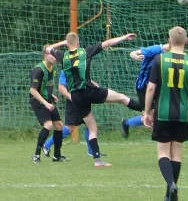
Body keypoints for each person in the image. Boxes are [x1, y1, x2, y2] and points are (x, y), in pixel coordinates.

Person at [46, 32, 142, 167]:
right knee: (121, 98)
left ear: (68, 44)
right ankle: (146, 109)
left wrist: (63, 43)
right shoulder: (85, 52)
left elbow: (48, 48)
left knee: (92, 128)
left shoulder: (63, 56)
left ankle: (98, 161)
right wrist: (124, 37)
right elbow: (107, 43)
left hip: (76, 97)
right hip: (89, 91)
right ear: (78, 43)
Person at [142, 26, 188, 201]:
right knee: (176, 154)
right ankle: (171, 195)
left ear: (169, 41)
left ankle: (171, 186)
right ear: (186, 41)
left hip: (162, 112)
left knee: (163, 153)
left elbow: (151, 87)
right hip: (183, 115)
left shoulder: (160, 60)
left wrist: (147, 111)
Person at [42, 70, 107, 157]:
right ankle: (46, 145)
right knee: (70, 127)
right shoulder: (65, 69)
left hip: (82, 100)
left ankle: (91, 151)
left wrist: (92, 83)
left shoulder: (78, 65)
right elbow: (61, 88)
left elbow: (83, 79)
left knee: (89, 125)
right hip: (74, 102)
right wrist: (72, 98)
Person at [121, 43, 171, 138]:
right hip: (144, 86)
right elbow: (133, 53)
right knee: (150, 117)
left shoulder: (174, 56)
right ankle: (162, 138)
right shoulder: (156, 49)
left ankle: (127, 123)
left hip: (159, 87)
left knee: (159, 114)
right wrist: (136, 56)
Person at [30, 45, 66, 163]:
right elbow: (33, 90)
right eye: (52, 54)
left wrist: (51, 96)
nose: (55, 57)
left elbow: (45, 86)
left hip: (47, 100)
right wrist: (46, 103)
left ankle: (57, 156)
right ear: (45, 55)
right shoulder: (39, 70)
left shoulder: (53, 68)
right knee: (48, 125)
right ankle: (36, 155)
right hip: (38, 101)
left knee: (59, 125)